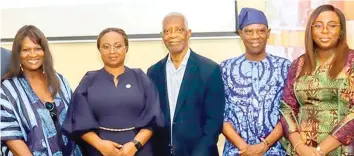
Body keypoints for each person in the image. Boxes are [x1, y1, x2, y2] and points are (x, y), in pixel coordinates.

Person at [63, 27, 164, 156]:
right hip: (99, 151)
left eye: (117, 46)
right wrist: (101, 145)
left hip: (139, 151)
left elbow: (154, 118)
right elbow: (77, 120)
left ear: (126, 48)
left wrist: (134, 145)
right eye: (106, 46)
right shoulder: (89, 80)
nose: (112, 51)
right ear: (99, 50)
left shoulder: (141, 78)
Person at [280, 4, 354, 156]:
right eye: (318, 25)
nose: (325, 31)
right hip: (300, 151)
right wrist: (300, 147)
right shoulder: (298, 64)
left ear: (340, 30)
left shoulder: (351, 62)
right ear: (311, 30)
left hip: (340, 150)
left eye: (332, 25)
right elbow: (287, 108)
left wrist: (321, 151)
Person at [147, 12, 225, 156]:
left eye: (179, 30)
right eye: (167, 31)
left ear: (188, 34)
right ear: (162, 36)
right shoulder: (153, 72)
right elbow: (153, 118)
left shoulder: (209, 70)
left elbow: (214, 121)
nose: (172, 35)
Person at [0, 25, 82, 156]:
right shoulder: (7, 90)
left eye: (37, 48)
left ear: (45, 51)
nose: (32, 54)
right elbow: (11, 137)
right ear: (18, 54)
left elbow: (75, 121)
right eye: (26, 50)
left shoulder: (60, 82)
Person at [220, 8, 290, 156]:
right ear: (240, 34)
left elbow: (288, 113)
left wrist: (264, 146)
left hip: (275, 150)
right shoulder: (226, 68)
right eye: (249, 31)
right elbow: (221, 114)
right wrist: (244, 148)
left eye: (260, 31)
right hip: (236, 151)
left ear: (268, 33)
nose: (255, 36)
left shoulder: (284, 67)